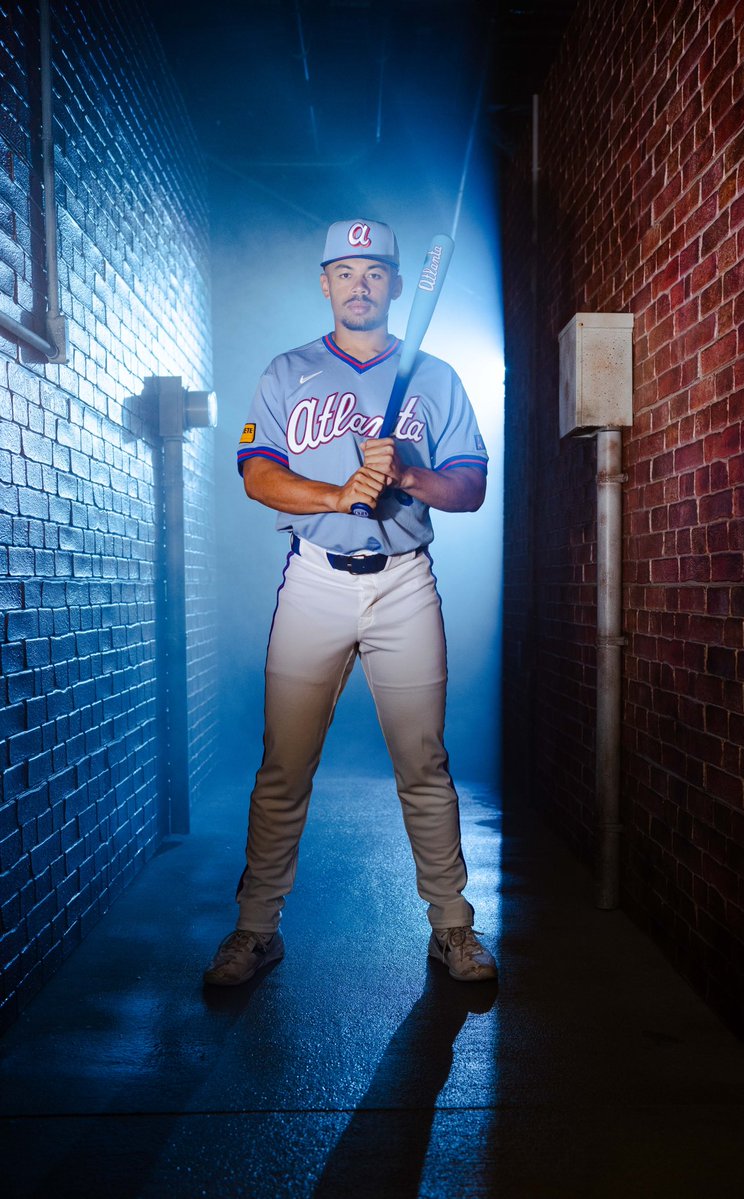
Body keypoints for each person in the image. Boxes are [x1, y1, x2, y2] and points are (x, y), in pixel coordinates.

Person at [204, 219, 497, 986]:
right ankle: (255, 928)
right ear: (325, 282)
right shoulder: (286, 371)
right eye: (345, 271)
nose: (360, 284)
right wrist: (338, 491)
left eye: (375, 272)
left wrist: (407, 476)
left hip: (404, 580)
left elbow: (469, 485)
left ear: (398, 284)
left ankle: (452, 926)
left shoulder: (435, 375)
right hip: (314, 579)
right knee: (284, 766)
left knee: (423, 763)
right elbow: (258, 474)